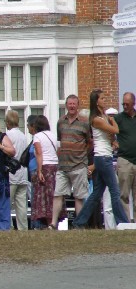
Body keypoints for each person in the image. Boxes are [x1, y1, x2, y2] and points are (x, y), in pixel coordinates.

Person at [72, 90, 129, 228]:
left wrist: (113, 141)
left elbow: (109, 136)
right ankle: (123, 222)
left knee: (97, 193)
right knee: (115, 191)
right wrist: (113, 121)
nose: (104, 100)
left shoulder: (103, 117)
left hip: (104, 156)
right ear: (96, 102)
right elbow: (115, 130)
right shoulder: (96, 119)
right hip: (103, 158)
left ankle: (79, 222)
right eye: (102, 98)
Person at [48, 95, 91, 230]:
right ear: (66, 105)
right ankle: (53, 223)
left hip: (79, 165)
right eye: (70, 104)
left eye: (74, 104)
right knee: (57, 194)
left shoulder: (84, 122)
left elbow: (90, 142)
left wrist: (82, 155)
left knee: (79, 196)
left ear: (78, 105)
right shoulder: (61, 122)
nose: (72, 106)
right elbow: (60, 141)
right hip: (63, 166)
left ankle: (79, 224)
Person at [31, 115, 59, 229]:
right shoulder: (53, 135)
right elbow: (58, 151)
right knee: (53, 195)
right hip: (55, 167)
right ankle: (53, 222)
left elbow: (39, 153)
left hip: (45, 167)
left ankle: (47, 222)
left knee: (44, 197)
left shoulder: (37, 136)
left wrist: (39, 171)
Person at [114, 91, 136, 221]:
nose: (125, 106)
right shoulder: (118, 118)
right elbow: (107, 129)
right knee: (124, 194)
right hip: (125, 160)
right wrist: (113, 141)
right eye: (123, 104)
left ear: (133, 103)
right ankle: (126, 222)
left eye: (127, 104)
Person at [5, 110, 29, 230]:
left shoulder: (8, 135)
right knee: (21, 205)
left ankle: (8, 226)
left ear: (8, 122)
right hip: (23, 173)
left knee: (6, 204)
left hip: (11, 174)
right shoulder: (23, 136)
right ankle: (23, 228)